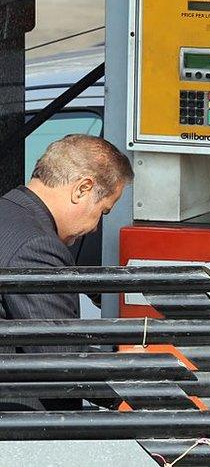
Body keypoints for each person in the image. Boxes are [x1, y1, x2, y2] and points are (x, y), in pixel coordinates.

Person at [0, 134, 132, 410]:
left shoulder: (8, 214)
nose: (96, 227)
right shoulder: (36, 245)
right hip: (21, 425)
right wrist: (135, 386)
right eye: (103, 211)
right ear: (82, 189)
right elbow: (59, 354)